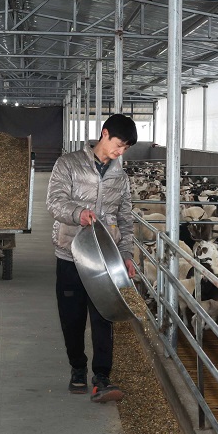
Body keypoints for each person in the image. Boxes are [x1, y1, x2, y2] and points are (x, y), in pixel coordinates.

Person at [47, 114, 138, 403]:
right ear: (104, 133)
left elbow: (125, 219)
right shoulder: (68, 164)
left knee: (103, 317)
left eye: (125, 148)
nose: (120, 151)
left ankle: (102, 377)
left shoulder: (120, 177)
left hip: (105, 258)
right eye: (119, 144)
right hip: (70, 254)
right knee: (72, 318)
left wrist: (126, 256)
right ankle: (77, 368)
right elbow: (54, 202)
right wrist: (78, 213)